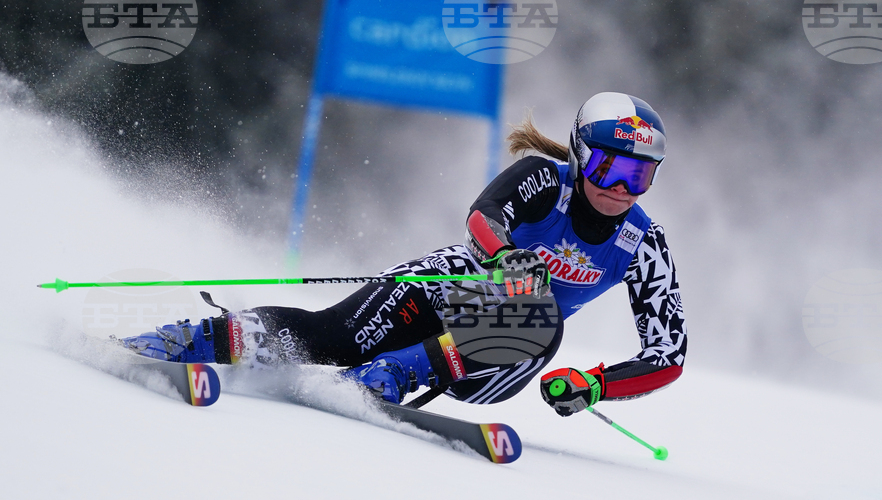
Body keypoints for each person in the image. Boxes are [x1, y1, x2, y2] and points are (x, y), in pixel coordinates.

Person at [121, 92, 687, 417]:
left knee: (540, 313)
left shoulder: (644, 244)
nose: (623, 187)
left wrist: (594, 386)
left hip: (497, 354)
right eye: (611, 166)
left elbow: (669, 354)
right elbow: (482, 219)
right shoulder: (545, 177)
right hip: (461, 286)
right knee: (333, 335)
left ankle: (385, 377)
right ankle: (194, 339)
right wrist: (506, 258)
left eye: (641, 175)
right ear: (582, 154)